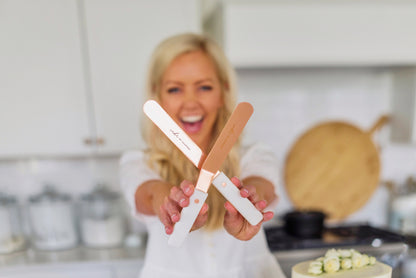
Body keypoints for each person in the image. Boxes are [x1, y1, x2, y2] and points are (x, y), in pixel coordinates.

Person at [120, 33, 286, 278]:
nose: (190, 104)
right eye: (174, 89)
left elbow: (262, 187)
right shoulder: (138, 163)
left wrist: (250, 202)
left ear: (223, 92)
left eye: (204, 87)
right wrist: (172, 204)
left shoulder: (255, 155)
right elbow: (150, 192)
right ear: (158, 96)